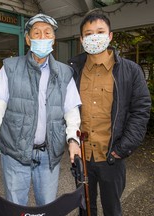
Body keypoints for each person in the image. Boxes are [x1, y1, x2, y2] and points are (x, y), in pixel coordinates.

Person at [0, 13, 82, 206]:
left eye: (47, 33)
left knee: (47, 205)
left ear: (54, 38)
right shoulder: (10, 68)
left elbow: (71, 111)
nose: (42, 37)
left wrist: (73, 140)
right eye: (37, 33)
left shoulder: (65, 73)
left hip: (49, 154)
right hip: (14, 153)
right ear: (28, 39)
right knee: (15, 206)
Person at [68, 12, 151, 216]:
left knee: (112, 209)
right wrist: (71, 142)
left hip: (112, 156)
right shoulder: (72, 71)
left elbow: (140, 110)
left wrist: (122, 149)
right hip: (83, 156)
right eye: (88, 33)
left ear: (110, 36)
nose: (94, 37)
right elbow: (65, 108)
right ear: (81, 39)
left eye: (100, 32)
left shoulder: (130, 71)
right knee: (85, 208)